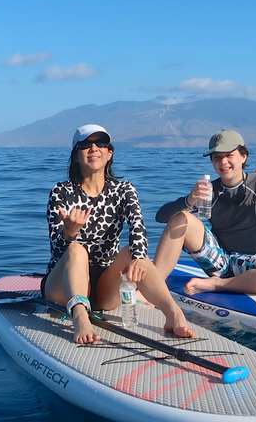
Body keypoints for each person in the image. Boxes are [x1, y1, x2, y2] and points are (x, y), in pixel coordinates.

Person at [42, 124, 194, 344]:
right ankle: (80, 317)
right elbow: (56, 253)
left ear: (109, 152)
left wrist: (139, 259)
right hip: (62, 286)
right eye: (85, 145)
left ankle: (172, 313)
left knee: (135, 252)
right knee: (76, 249)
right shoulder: (61, 192)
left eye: (100, 143)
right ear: (75, 155)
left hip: (106, 286)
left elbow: (138, 229)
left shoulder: (123, 190)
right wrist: (68, 234)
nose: (94, 148)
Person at [153, 129, 256, 295]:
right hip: (218, 260)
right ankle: (154, 289)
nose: (223, 162)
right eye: (217, 158)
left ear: (243, 156)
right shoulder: (208, 190)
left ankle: (216, 285)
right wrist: (188, 200)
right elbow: (161, 218)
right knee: (182, 218)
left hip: (252, 264)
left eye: (229, 155)